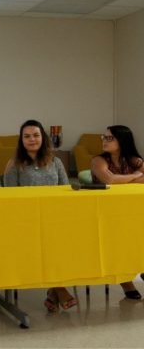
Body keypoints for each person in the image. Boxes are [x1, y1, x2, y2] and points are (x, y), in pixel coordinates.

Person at [3, 119, 77, 312]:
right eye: (26, 136)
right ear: (21, 140)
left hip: (54, 218)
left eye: (35, 135)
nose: (32, 139)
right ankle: (60, 289)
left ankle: (53, 293)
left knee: (61, 244)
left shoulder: (56, 161)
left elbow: (65, 189)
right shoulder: (14, 163)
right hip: (26, 220)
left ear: (43, 138)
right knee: (46, 244)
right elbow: (8, 195)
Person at [91, 125, 144, 300]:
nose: (105, 141)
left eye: (109, 138)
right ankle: (126, 281)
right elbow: (110, 179)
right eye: (104, 137)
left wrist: (126, 179)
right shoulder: (98, 160)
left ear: (122, 140)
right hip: (105, 213)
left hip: (132, 211)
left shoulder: (135, 159)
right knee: (117, 239)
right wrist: (135, 176)